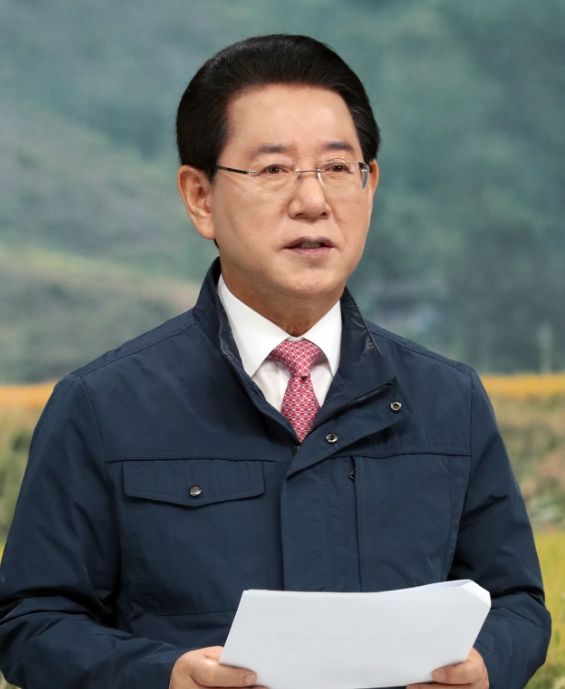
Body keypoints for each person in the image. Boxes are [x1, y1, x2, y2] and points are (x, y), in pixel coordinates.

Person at [0, 34, 550, 689]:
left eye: (337, 167)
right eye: (272, 170)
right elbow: (33, 621)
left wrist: (486, 664)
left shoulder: (449, 400)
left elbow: (516, 602)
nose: (313, 201)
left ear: (370, 184)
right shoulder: (102, 405)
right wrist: (162, 675)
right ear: (200, 197)